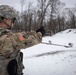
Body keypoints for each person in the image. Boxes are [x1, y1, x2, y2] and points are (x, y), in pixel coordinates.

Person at [0, 5, 42, 75]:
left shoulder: (6, 35)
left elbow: (19, 36)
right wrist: (39, 34)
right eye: (12, 20)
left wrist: (34, 32)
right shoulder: (5, 39)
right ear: (5, 20)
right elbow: (22, 39)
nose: (13, 23)